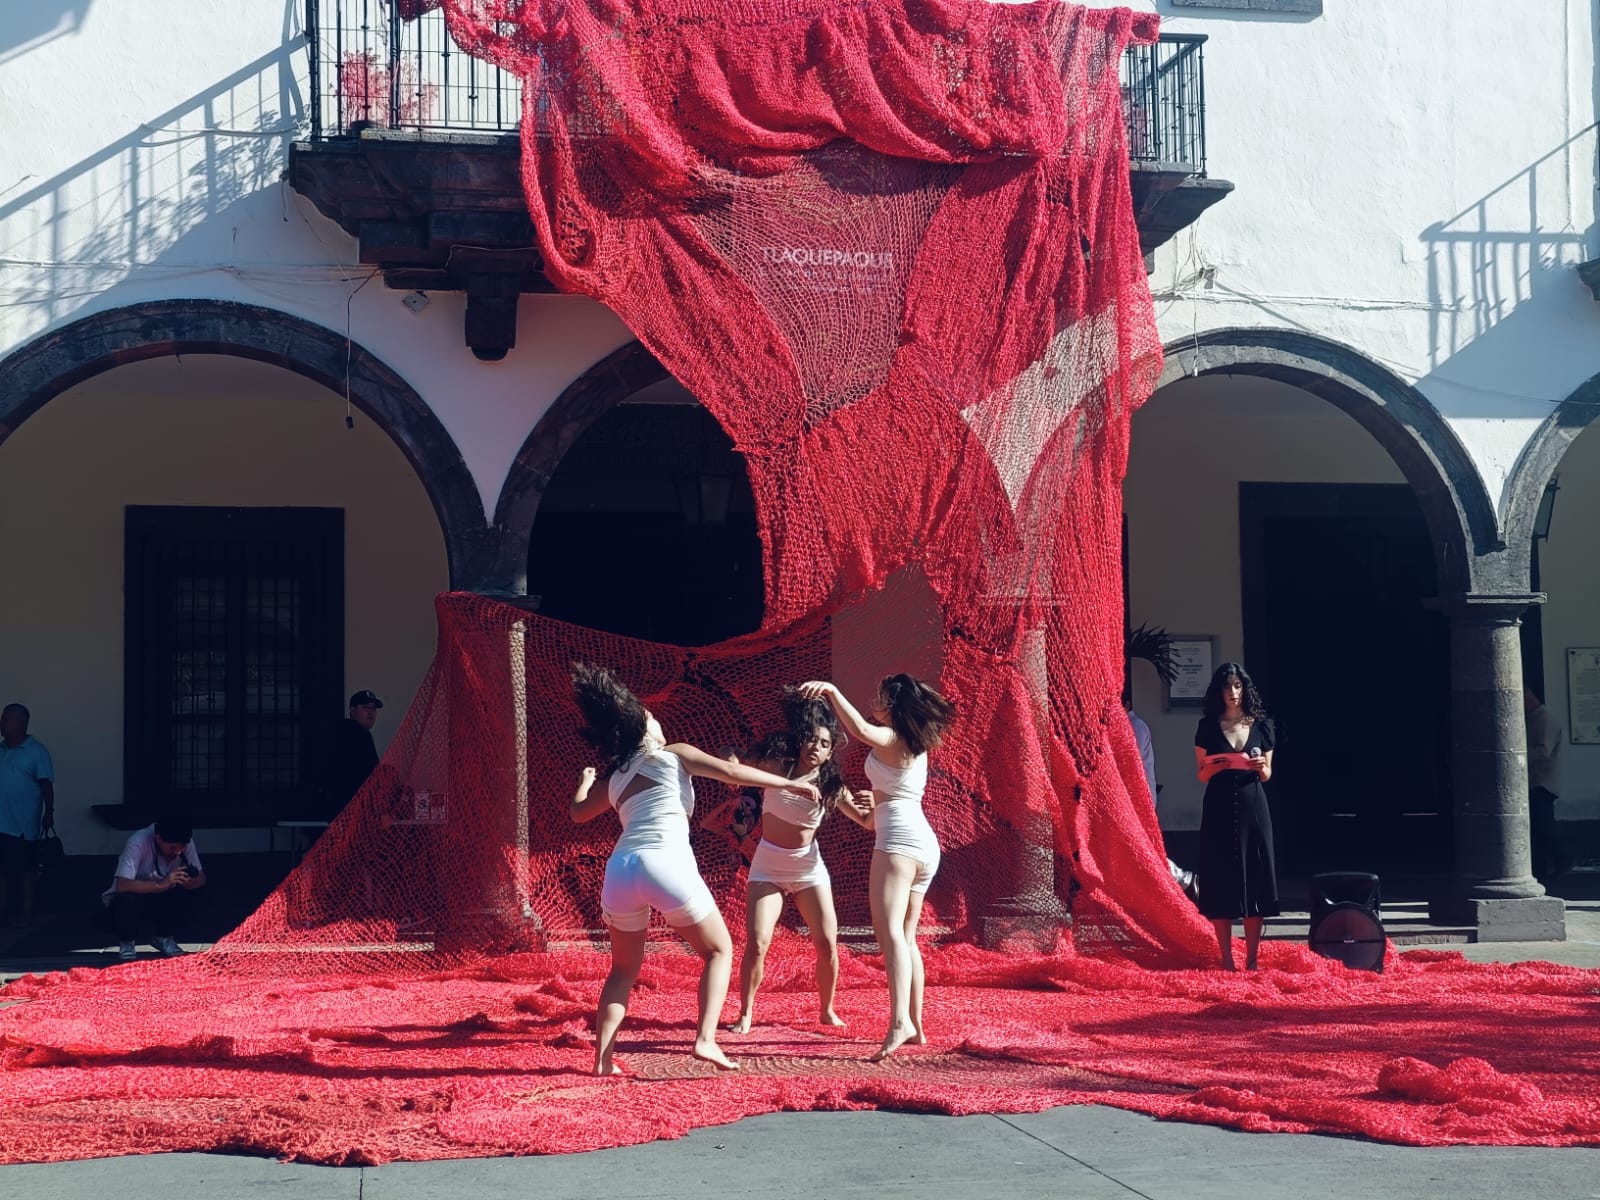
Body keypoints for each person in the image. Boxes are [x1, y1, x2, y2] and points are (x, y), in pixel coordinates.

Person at [568, 662, 820, 1076]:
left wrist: (584, 780)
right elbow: (732, 773)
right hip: (664, 862)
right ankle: (705, 1040)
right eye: (651, 717)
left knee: (622, 971)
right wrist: (789, 784)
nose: (656, 719)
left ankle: (603, 1060)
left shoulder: (615, 778)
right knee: (718, 951)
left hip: (621, 869)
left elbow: (579, 813)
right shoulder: (673, 754)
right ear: (642, 729)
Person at [798, 673, 954, 1061]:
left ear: (894, 705)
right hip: (921, 841)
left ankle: (900, 1021)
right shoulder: (916, 744)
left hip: (899, 842)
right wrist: (874, 800)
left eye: (881, 697)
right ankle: (915, 1025)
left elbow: (862, 730)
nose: (876, 701)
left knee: (891, 937)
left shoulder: (892, 735)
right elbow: (890, 797)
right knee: (907, 936)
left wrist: (833, 691)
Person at [730, 695, 859, 1034]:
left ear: (830, 753)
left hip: (808, 869)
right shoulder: (778, 767)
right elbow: (737, 768)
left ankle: (827, 1009)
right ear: (802, 740)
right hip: (768, 867)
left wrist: (881, 801)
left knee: (827, 942)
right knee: (758, 942)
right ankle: (745, 1013)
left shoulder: (832, 786)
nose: (815, 747)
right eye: (812, 739)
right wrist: (728, 759)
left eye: (824, 744)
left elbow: (867, 821)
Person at [1193, 663, 1278, 971]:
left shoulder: (1261, 725)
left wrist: (1258, 765)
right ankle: (1227, 959)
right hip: (1218, 807)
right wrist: (1217, 765)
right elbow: (1201, 773)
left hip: (1253, 806)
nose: (1233, 692)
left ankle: (1252, 959)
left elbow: (1267, 773)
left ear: (1245, 689)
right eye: (1228, 687)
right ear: (1220, 691)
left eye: (1238, 686)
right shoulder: (1207, 726)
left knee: (1255, 877)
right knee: (1221, 878)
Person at [101, 817, 206, 961]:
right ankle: (127, 941)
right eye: (172, 848)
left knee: (195, 894)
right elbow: (122, 884)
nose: (177, 852)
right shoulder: (138, 842)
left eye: (181, 848)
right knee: (125, 900)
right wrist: (162, 884)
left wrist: (189, 883)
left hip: (164, 899)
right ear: (158, 839)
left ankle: (164, 937)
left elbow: (201, 878)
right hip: (135, 899)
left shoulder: (184, 845)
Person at [1126, 706, 1197, 899]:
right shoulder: (1124, 725)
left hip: (1137, 800)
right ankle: (1180, 880)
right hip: (1129, 800)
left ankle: (1181, 879)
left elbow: (1129, 762)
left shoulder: (1136, 727)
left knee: (1141, 849)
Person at [0, 703, 55, 928]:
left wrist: (49, 812)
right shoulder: (1, 750)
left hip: (23, 823)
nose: (1, 723)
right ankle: (2, 912)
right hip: (1, 822)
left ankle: (27, 912)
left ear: (20, 723)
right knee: (1, 869)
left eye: (6, 719)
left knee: (26, 869)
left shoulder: (36, 751)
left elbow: (46, 786)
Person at [318, 690, 383, 821]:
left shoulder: (341, 731)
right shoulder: (357, 734)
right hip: (348, 810)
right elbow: (370, 774)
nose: (371, 712)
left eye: (373, 709)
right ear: (353, 711)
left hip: (335, 807)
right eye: (365, 708)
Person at [1525, 688, 1568, 883]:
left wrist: (1517, 754)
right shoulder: (1534, 718)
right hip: (1534, 782)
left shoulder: (1544, 719)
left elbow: (1543, 751)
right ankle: (1541, 865)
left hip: (1543, 782)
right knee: (1536, 827)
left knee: (1544, 826)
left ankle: (1563, 858)